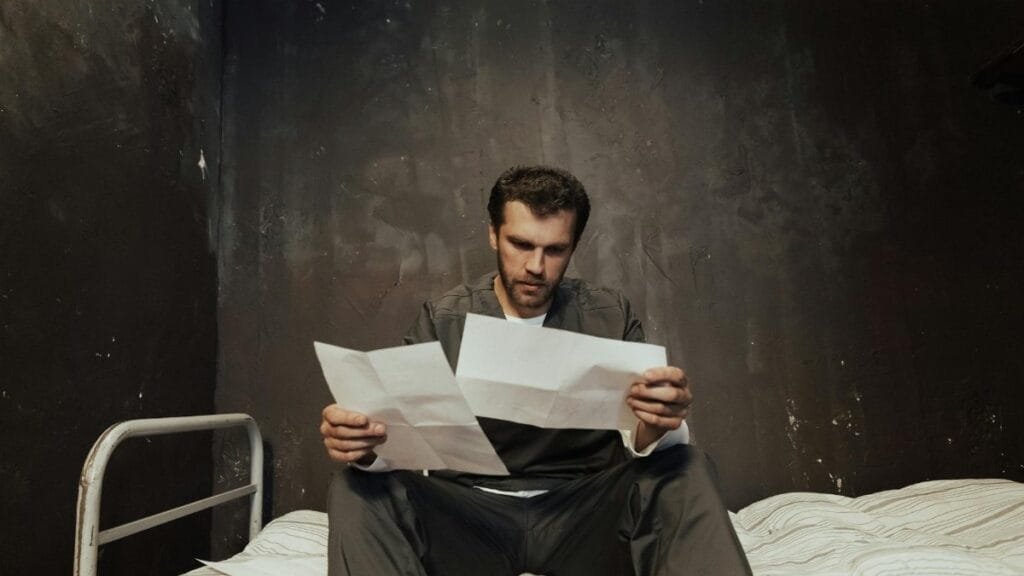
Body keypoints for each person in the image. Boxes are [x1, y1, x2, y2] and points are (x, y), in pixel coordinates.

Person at [319, 166, 752, 575]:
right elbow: (396, 444)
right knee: (355, 486)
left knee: (687, 464)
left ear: (572, 247)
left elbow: (647, 443)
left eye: (555, 250)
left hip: (584, 517)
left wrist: (658, 422)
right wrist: (363, 444)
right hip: (470, 519)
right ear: (493, 235)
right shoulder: (443, 319)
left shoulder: (608, 314)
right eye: (521, 245)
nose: (535, 267)